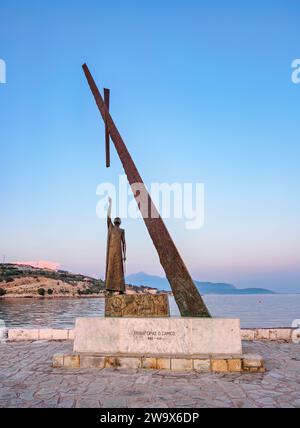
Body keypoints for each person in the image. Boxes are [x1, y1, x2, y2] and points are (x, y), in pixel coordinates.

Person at [105, 197, 126, 294]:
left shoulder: (122, 231)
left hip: (118, 252)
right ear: (114, 222)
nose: (117, 221)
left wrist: (124, 254)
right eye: (116, 220)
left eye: (118, 220)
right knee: (111, 268)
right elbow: (108, 215)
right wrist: (110, 204)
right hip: (111, 252)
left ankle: (121, 289)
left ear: (119, 222)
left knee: (119, 270)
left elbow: (124, 243)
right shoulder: (111, 227)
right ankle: (110, 288)